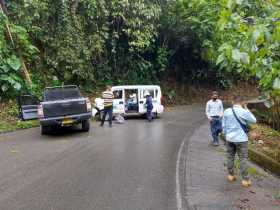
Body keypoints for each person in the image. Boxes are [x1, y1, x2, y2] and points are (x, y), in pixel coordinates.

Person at [222, 95, 257, 187]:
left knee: (230, 157)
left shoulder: (226, 111)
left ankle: (230, 175)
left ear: (233, 102)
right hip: (241, 139)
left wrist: (226, 135)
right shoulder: (244, 111)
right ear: (242, 102)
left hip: (229, 138)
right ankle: (245, 180)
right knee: (243, 159)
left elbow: (223, 125)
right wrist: (246, 108)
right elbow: (254, 120)